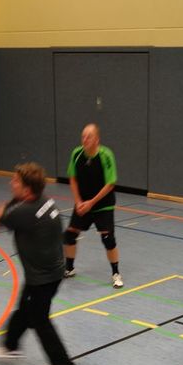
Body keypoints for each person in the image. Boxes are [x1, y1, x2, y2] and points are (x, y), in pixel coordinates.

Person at [0, 163, 82, 365]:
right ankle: (11, 346)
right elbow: (4, 210)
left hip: (45, 277)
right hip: (45, 271)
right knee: (25, 307)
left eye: (16, 181)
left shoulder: (25, 212)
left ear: (27, 189)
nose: (11, 182)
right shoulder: (37, 200)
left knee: (39, 319)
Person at [63, 123, 123, 288]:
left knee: (108, 239)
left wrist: (91, 203)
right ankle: (69, 268)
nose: (85, 140)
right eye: (83, 136)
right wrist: (78, 202)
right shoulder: (76, 154)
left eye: (89, 137)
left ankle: (116, 273)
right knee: (69, 235)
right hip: (83, 203)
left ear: (97, 139)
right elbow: (73, 178)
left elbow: (110, 183)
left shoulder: (106, 155)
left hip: (103, 204)